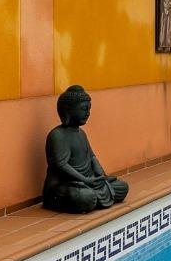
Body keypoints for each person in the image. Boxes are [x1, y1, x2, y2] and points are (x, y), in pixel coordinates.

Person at [41, 84, 129, 213]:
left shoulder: (81, 133)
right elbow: (61, 165)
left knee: (122, 187)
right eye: (84, 109)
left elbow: (92, 157)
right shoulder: (58, 135)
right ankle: (85, 198)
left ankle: (92, 196)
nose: (88, 113)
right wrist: (86, 180)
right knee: (85, 197)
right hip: (65, 184)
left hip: (88, 181)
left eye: (89, 109)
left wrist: (101, 176)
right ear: (68, 111)